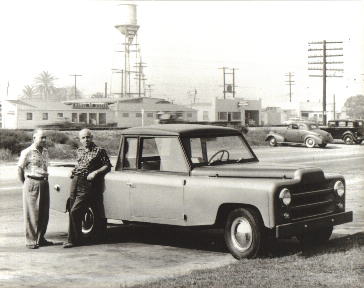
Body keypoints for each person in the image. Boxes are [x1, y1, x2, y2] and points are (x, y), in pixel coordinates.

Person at [63, 128, 111, 248]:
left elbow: (107, 165)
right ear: (80, 139)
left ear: (92, 137)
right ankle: (74, 239)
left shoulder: (99, 151)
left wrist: (95, 172)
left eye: (88, 137)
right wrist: (73, 171)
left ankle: (73, 240)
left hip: (87, 183)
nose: (86, 140)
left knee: (76, 211)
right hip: (75, 181)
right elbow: (79, 165)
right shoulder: (79, 151)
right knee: (72, 209)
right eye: (83, 138)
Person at [17, 129, 53, 249]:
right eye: (41, 137)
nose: (44, 140)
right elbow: (20, 169)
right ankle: (31, 240)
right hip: (32, 182)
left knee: (44, 213)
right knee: (32, 213)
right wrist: (25, 183)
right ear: (34, 138)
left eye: (45, 137)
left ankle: (40, 238)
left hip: (44, 182)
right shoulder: (27, 152)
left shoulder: (45, 151)